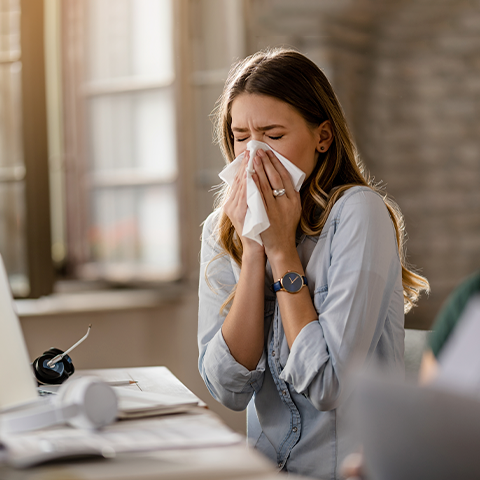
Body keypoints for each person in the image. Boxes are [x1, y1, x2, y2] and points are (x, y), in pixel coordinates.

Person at [197, 47, 429, 479]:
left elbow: (329, 386)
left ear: (323, 137)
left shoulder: (358, 214)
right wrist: (253, 251)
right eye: (241, 137)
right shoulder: (222, 228)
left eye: (273, 135)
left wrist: (282, 251)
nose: (254, 156)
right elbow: (226, 389)